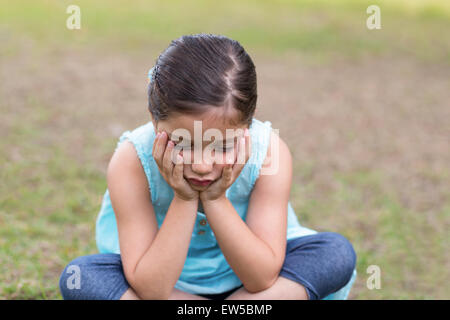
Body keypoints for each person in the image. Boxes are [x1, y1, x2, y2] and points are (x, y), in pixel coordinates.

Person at [59, 33, 357, 300]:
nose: (202, 166)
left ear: (247, 125)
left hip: (257, 288)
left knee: (335, 253)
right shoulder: (132, 160)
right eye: (183, 144)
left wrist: (215, 199)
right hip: (167, 289)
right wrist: (185, 198)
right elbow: (152, 290)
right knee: (82, 277)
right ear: (154, 119)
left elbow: (261, 278)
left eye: (223, 146)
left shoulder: (268, 152)